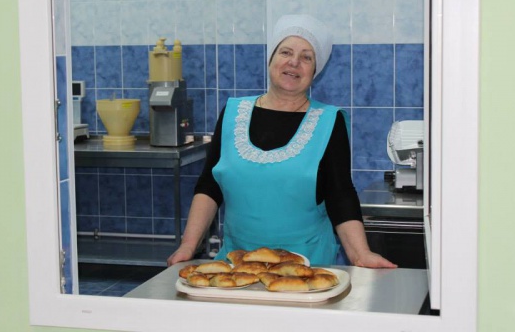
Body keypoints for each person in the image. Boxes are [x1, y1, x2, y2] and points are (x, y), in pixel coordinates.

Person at [167, 14, 397, 269]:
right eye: (286, 52)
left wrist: (360, 254)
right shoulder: (233, 113)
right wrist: (188, 245)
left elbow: (340, 194)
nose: (294, 62)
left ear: (315, 71)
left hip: (308, 268)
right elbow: (210, 186)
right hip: (237, 267)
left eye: (306, 57)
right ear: (271, 59)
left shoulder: (328, 121)